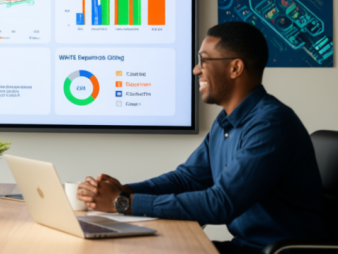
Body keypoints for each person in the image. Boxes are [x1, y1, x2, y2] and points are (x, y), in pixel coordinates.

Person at [77, 22, 324, 254]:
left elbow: (220, 203)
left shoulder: (271, 125)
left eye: (204, 61)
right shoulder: (226, 121)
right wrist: (125, 190)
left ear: (235, 68)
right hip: (243, 246)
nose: (196, 69)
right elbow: (187, 179)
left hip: (274, 251)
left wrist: (123, 203)